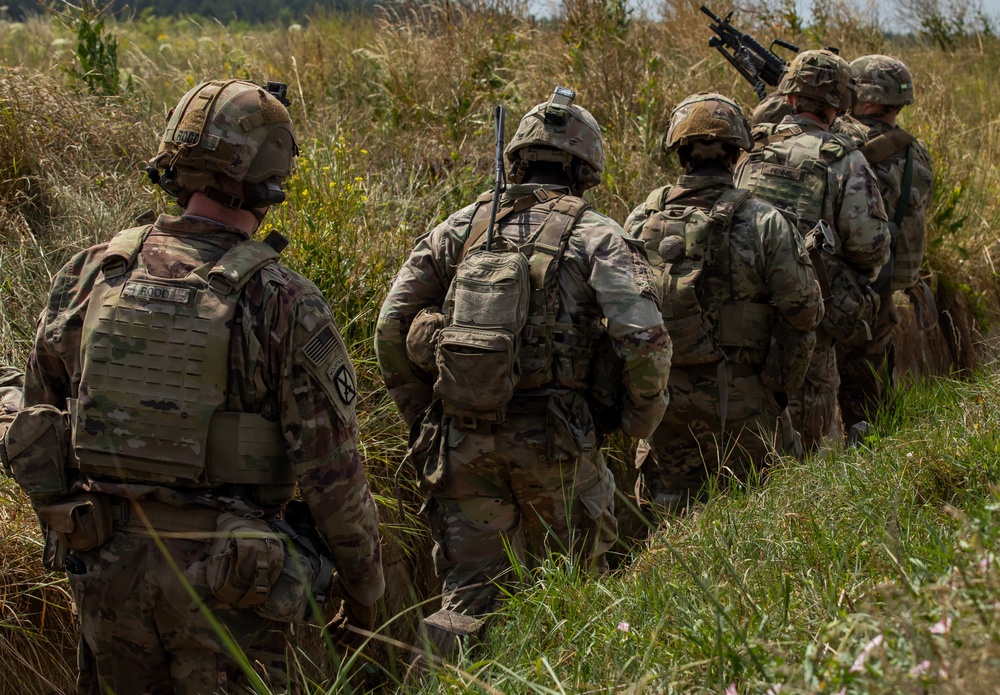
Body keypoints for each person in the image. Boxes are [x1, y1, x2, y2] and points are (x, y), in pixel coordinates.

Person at [5, 79, 384, 693]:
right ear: (271, 179)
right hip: (230, 583)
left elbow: (38, 412)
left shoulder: (93, 272)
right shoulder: (282, 298)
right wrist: (366, 596)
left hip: (105, 569)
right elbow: (333, 476)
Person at [375, 88, 671, 657]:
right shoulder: (596, 234)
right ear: (585, 168)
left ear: (516, 158)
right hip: (557, 445)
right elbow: (646, 340)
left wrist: (424, 416)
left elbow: (392, 325)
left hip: (459, 441)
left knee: (465, 596)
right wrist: (637, 422)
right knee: (571, 598)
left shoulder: (460, 226)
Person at [623, 93, 823, 512]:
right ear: (736, 154)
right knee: (760, 516)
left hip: (664, 403)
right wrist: (779, 386)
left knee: (668, 516)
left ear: (680, 153)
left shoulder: (641, 218)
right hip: (745, 402)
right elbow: (804, 312)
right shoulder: (765, 221)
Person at [734, 50, 891, 452]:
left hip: (743, 319)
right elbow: (871, 248)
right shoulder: (845, 160)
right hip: (809, 326)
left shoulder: (747, 153)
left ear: (788, 98)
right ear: (839, 106)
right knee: (811, 444)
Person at [837, 55, 935, 435]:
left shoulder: (844, 144)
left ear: (864, 97)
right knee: (874, 391)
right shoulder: (916, 151)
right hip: (883, 288)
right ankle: (882, 459)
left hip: (843, 287)